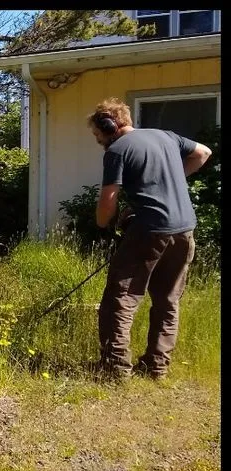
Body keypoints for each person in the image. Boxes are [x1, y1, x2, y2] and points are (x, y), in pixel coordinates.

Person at [88, 98, 212, 381]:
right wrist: (172, 179)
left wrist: (101, 223)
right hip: (184, 229)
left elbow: (108, 200)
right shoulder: (166, 136)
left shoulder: (117, 150)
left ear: (109, 125)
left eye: (97, 134)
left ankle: (115, 369)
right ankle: (156, 367)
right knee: (168, 300)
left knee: (121, 297)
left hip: (150, 229)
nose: (98, 140)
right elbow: (203, 153)